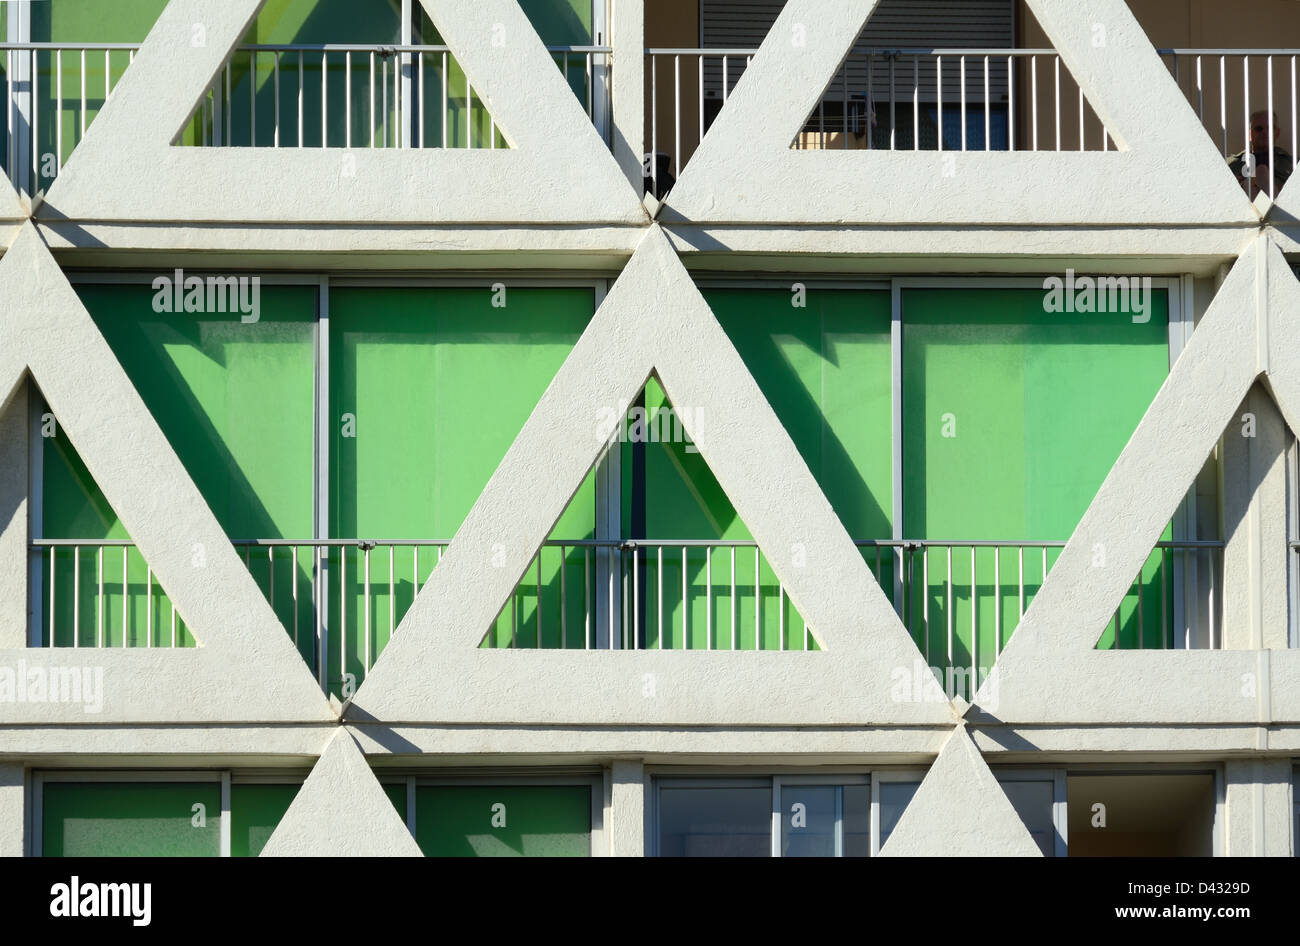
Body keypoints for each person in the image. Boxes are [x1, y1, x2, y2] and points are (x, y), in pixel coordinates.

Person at [1228, 110, 1294, 199]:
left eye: (1270, 128)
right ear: (1249, 134)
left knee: (1261, 172)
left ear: (1277, 133)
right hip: (1244, 204)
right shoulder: (1230, 165)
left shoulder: (1293, 164)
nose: (1265, 132)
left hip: (1281, 203)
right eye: (1259, 129)